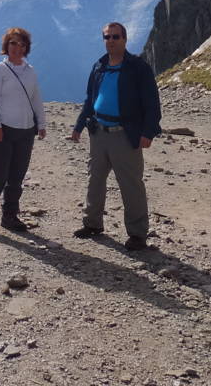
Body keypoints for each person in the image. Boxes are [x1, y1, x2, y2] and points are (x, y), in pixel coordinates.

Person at [69, 21, 161, 250]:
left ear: (124, 39)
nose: (111, 41)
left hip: (124, 134)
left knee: (131, 185)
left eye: (115, 37)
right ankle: (92, 224)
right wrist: (79, 126)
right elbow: (90, 99)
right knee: (95, 180)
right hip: (98, 132)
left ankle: (137, 234)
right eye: (107, 37)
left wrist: (148, 132)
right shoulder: (99, 66)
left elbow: (152, 103)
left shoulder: (138, 67)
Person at [0, 27, 46, 237]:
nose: (17, 48)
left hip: (26, 132)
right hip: (4, 130)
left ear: (26, 48)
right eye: (13, 43)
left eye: (21, 44)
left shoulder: (30, 71)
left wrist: (41, 123)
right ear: (6, 46)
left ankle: (10, 216)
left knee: (16, 178)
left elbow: (36, 98)